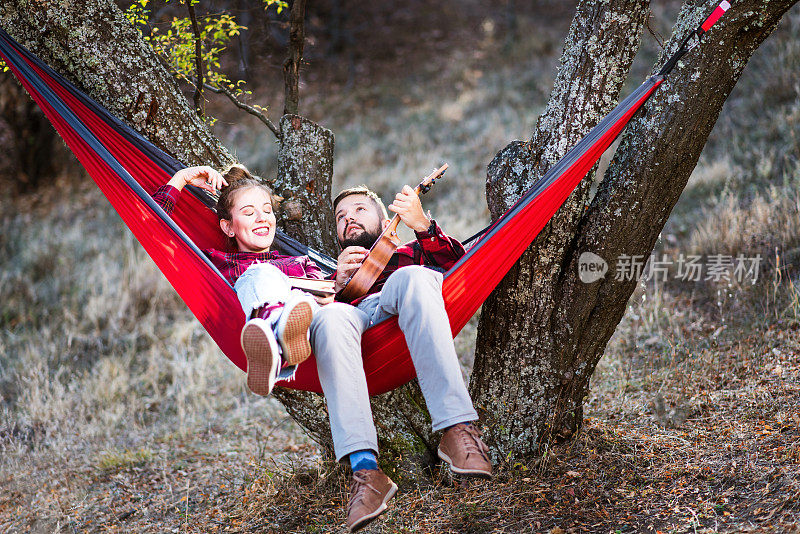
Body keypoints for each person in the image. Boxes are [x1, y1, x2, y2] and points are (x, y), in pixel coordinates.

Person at [310, 184, 492, 532]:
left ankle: (457, 430)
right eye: (341, 217)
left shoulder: (411, 252)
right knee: (328, 319)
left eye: (360, 210)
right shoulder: (330, 273)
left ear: (383, 217)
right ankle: (365, 472)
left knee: (415, 277)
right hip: (357, 322)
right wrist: (334, 288)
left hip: (401, 303)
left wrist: (421, 223)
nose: (349, 219)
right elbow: (307, 324)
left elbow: (461, 266)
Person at [152, 165, 330, 396]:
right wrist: (181, 178)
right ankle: (272, 334)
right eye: (248, 213)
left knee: (300, 297)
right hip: (248, 319)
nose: (261, 218)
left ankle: (276, 348)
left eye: (267, 211)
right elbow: (152, 225)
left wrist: (344, 278)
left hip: (313, 334)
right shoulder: (215, 263)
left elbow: (327, 301)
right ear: (228, 227)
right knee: (259, 273)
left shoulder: (301, 263)